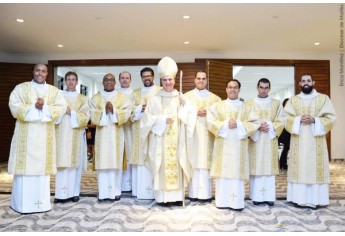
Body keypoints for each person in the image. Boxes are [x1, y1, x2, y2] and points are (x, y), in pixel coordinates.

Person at [8, 64, 67, 213]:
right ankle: (21, 205)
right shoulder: (21, 88)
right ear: (33, 72)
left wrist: (45, 108)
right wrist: (34, 107)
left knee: (42, 172)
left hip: (44, 138)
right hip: (25, 136)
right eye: (37, 70)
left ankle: (41, 204)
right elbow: (14, 106)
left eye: (43, 71)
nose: (40, 73)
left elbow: (61, 108)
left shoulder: (54, 91)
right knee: (24, 171)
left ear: (47, 73)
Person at [140, 57, 197, 206]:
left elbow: (190, 117)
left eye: (170, 80)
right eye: (165, 80)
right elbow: (146, 120)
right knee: (162, 166)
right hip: (160, 141)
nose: (168, 83)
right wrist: (161, 120)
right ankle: (163, 198)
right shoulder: (154, 100)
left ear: (174, 80)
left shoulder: (180, 98)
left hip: (178, 140)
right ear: (161, 81)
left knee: (177, 163)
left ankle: (177, 197)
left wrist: (186, 106)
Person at [284, 73, 336, 209]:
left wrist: (315, 120)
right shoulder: (293, 100)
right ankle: (298, 199)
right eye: (303, 81)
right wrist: (298, 119)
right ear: (300, 83)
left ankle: (316, 200)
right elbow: (284, 118)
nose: (306, 83)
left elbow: (331, 118)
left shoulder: (323, 99)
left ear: (313, 82)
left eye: (308, 80)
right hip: (298, 141)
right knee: (299, 167)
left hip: (316, 142)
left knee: (314, 168)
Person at [207, 79, 259, 211]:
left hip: (239, 148)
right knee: (223, 173)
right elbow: (210, 121)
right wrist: (224, 124)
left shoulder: (247, 107)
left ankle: (236, 203)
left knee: (236, 174)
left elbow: (254, 123)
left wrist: (239, 124)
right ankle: (222, 202)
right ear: (226, 89)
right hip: (222, 147)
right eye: (230, 87)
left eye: (235, 87)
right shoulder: (218, 106)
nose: (232, 90)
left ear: (239, 90)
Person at [89, 73, 133, 202]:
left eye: (111, 80)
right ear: (103, 82)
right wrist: (103, 111)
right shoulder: (95, 98)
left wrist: (113, 110)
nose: (109, 82)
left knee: (116, 162)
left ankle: (116, 192)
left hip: (117, 136)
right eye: (106, 80)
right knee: (103, 163)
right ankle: (103, 193)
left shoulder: (122, 97)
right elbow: (91, 113)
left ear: (115, 82)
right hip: (102, 136)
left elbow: (127, 112)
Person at [184, 71, 221, 202]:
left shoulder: (215, 99)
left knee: (206, 164)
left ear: (207, 80)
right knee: (194, 162)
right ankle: (193, 194)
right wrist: (194, 112)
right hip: (192, 136)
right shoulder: (186, 97)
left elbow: (219, 117)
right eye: (198, 78)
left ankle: (206, 195)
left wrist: (209, 113)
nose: (201, 81)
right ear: (194, 80)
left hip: (208, 137)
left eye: (203, 79)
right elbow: (181, 114)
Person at [54, 71, 90, 203]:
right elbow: (52, 114)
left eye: (73, 79)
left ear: (76, 82)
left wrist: (71, 112)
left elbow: (86, 116)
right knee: (62, 165)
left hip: (76, 135)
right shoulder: (58, 97)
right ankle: (60, 194)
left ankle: (75, 193)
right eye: (68, 79)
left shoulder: (83, 98)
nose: (70, 81)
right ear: (64, 81)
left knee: (75, 164)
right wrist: (60, 112)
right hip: (61, 135)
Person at [248, 78, 284, 206]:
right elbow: (246, 121)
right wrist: (257, 126)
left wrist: (269, 125)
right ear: (257, 88)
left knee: (268, 168)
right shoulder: (249, 104)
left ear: (269, 88)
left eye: (266, 87)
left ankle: (269, 196)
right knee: (257, 168)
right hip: (255, 141)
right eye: (261, 87)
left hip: (270, 140)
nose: (263, 90)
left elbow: (281, 120)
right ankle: (256, 196)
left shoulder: (277, 103)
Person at [130, 67, 161, 199]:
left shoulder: (160, 91)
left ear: (153, 77)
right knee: (140, 159)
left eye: (149, 76)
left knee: (154, 158)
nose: (146, 78)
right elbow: (130, 111)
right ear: (141, 78)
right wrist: (139, 109)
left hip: (154, 131)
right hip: (139, 131)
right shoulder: (135, 93)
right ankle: (140, 191)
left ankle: (155, 192)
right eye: (144, 76)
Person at [117, 71, 134, 193]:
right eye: (122, 78)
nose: (124, 80)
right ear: (119, 80)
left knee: (131, 154)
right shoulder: (115, 94)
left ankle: (131, 184)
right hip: (117, 128)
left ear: (130, 80)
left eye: (127, 78)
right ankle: (120, 185)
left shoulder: (135, 94)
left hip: (132, 129)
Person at [278, 98, 290, 171]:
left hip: (289, 131)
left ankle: (283, 163)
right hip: (284, 131)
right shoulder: (282, 112)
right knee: (286, 147)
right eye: (286, 103)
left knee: (286, 148)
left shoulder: (291, 112)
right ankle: (283, 163)